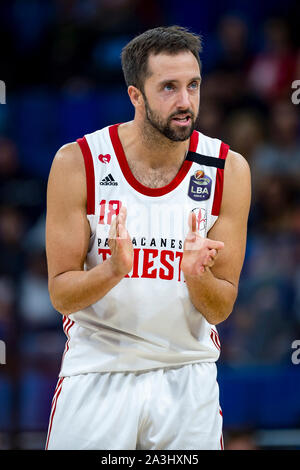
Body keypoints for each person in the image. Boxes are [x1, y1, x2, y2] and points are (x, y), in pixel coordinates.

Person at [45, 26, 251, 450]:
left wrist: (197, 277)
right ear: (135, 95)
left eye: (193, 85)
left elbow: (222, 305)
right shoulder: (77, 162)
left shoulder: (228, 169)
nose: (185, 102)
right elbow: (62, 295)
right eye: (169, 88)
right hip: (97, 371)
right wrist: (114, 270)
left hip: (186, 373)